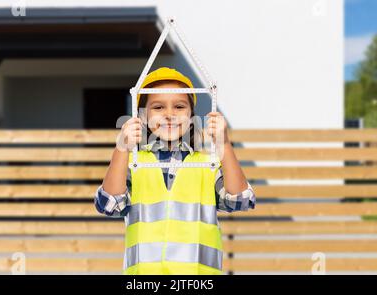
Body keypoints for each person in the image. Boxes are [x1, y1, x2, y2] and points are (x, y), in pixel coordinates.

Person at [95, 67, 256, 275]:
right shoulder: (132, 163)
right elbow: (110, 204)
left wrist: (223, 144)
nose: (170, 115)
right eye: (158, 107)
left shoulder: (208, 163)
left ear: (191, 116)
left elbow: (239, 200)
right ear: (142, 116)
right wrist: (121, 148)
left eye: (179, 107)